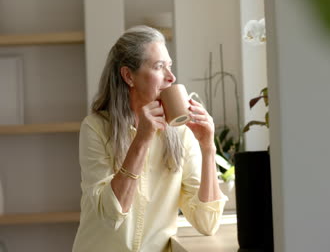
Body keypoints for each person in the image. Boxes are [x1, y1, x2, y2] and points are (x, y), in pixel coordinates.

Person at [72, 26, 227, 252]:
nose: (171, 77)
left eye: (170, 66)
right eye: (159, 67)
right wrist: (142, 139)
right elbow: (111, 215)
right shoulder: (95, 128)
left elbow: (207, 223)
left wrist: (207, 147)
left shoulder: (181, 134)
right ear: (128, 76)